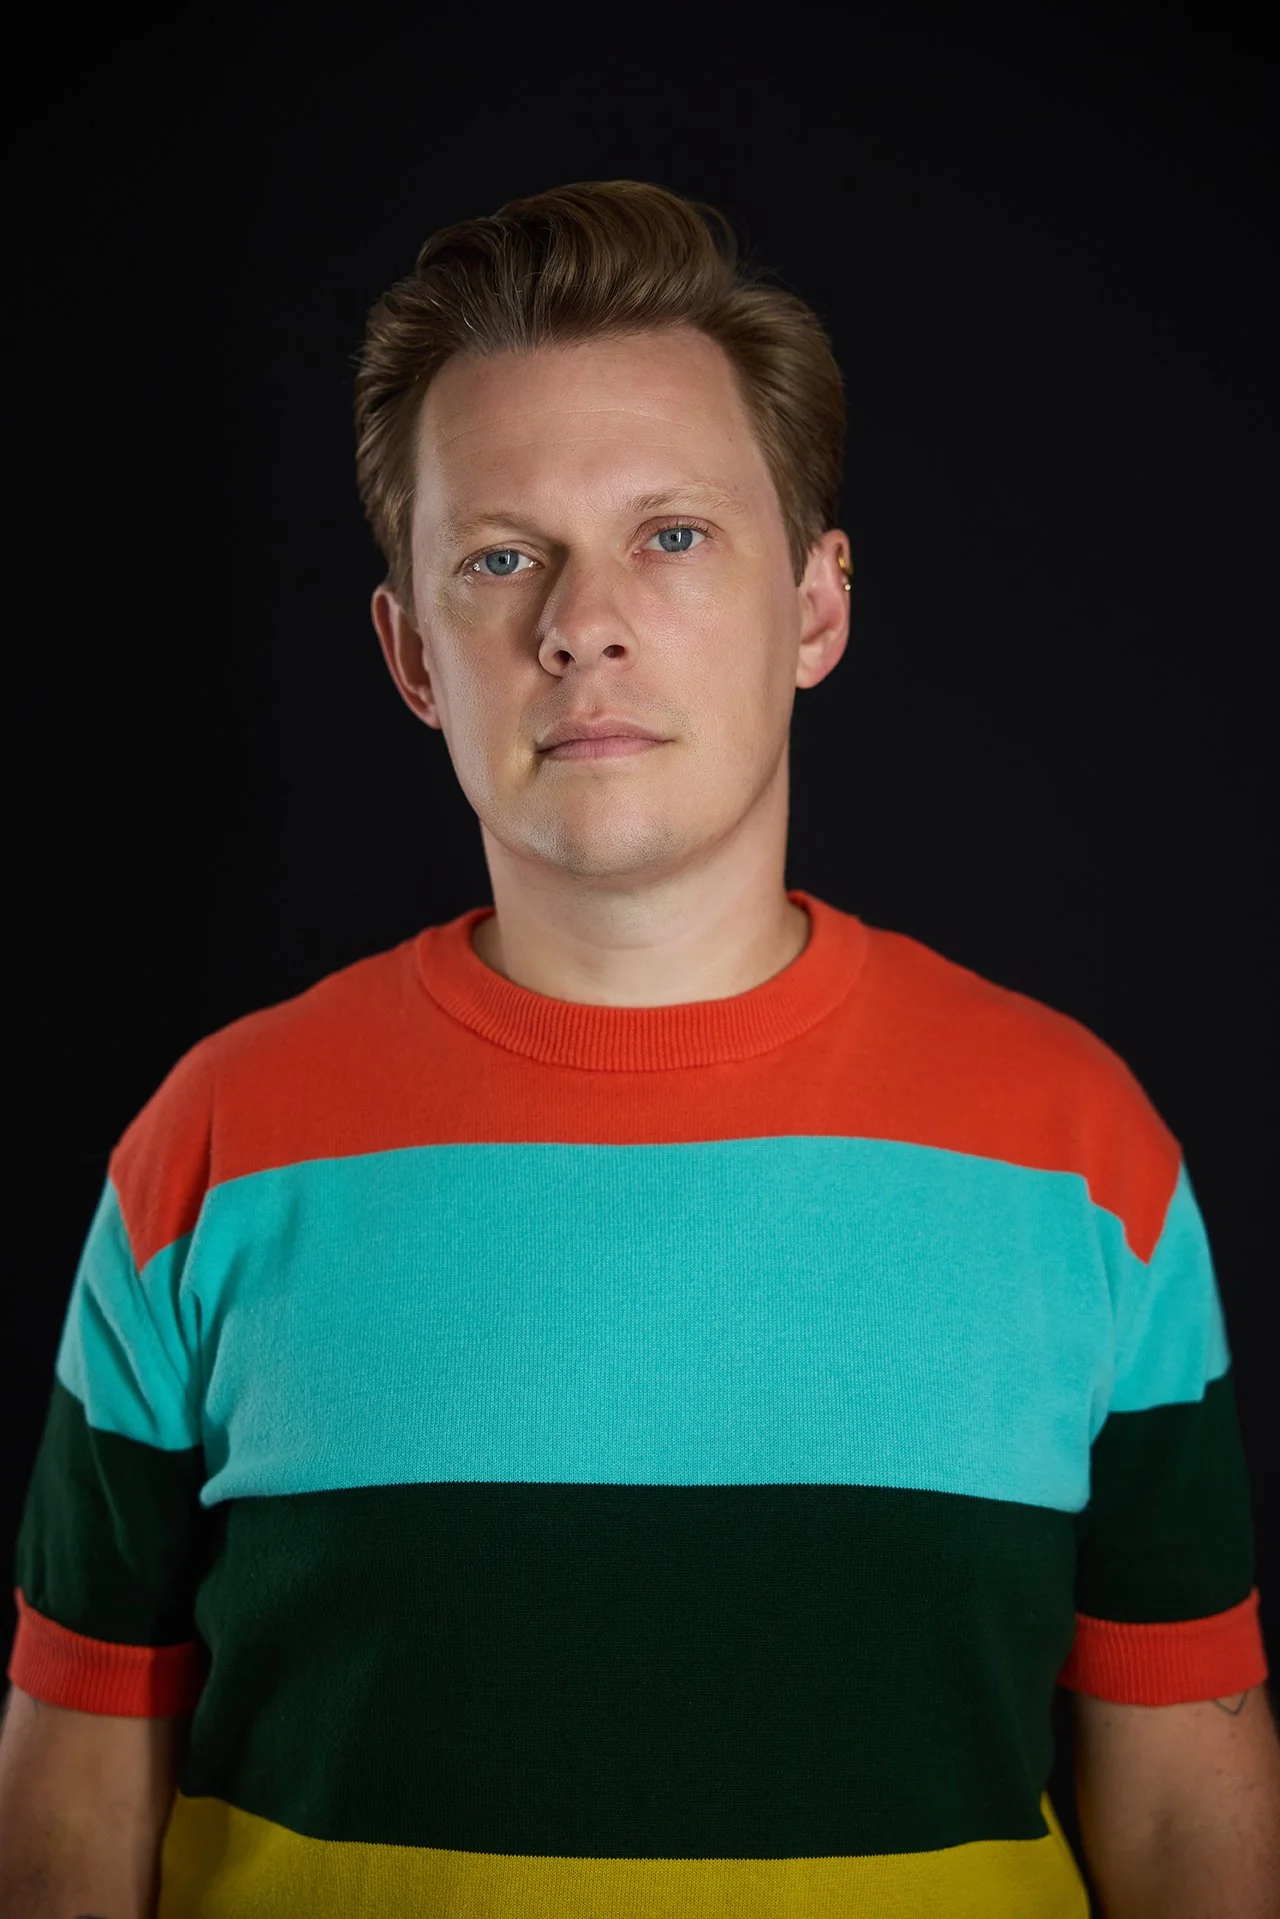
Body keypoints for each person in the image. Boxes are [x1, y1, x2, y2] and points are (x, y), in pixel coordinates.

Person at [2, 179, 1276, 1919]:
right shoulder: (211, 1144)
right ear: (413, 655)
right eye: (501, 555)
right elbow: (75, 1781)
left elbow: (1192, 1798)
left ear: (817, 608)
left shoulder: (1082, 1152)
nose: (579, 621)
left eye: (672, 535)